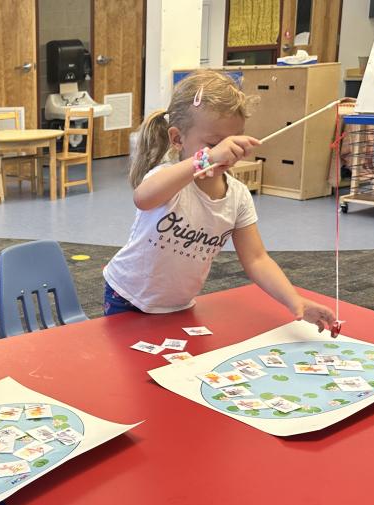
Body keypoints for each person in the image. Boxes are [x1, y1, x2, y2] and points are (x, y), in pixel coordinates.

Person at [102, 69, 336, 332]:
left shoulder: (237, 196)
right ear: (178, 139)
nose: (225, 152)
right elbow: (143, 198)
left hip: (178, 304)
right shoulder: (169, 177)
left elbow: (257, 259)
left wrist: (296, 302)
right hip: (127, 296)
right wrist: (206, 159)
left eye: (231, 141)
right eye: (214, 143)